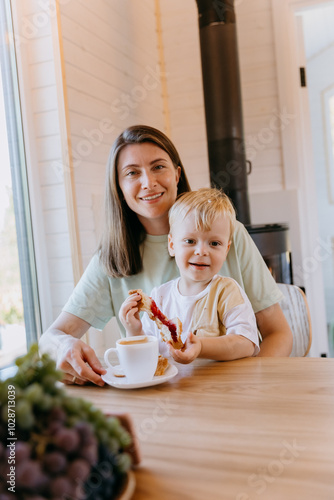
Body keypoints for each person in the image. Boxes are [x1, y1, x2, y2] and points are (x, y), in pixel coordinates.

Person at [39, 125, 293, 386]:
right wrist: (64, 345)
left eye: (158, 167)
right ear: (119, 186)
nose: (148, 182)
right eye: (132, 173)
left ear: (177, 174)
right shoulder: (111, 259)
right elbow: (50, 338)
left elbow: (278, 333)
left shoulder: (230, 233)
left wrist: (256, 386)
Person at [119, 188, 260, 363]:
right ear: (172, 245)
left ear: (226, 250)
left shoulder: (227, 292)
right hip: (170, 387)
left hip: (218, 387)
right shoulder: (159, 297)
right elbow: (145, 358)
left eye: (214, 243)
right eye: (190, 241)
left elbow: (246, 343)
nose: (201, 251)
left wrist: (201, 347)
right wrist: (133, 330)